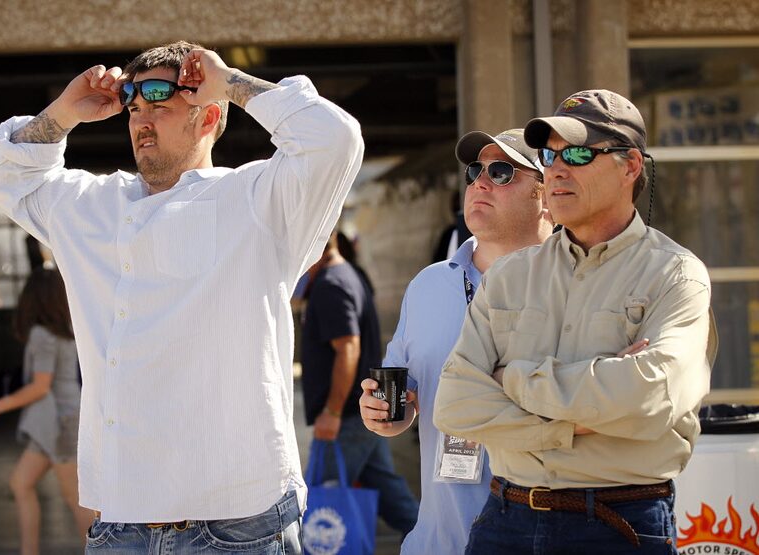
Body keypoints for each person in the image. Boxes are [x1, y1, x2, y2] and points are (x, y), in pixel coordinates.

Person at [0, 41, 363, 553]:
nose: (142, 121)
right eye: (135, 109)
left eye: (160, 107)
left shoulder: (260, 202)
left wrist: (230, 83)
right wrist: (62, 114)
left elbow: (334, 139)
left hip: (237, 521)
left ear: (207, 118)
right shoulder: (87, 206)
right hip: (120, 521)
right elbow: (3, 177)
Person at [434, 90, 717, 555]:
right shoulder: (509, 276)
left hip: (617, 523)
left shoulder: (676, 274)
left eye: (580, 153)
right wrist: (575, 422)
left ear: (630, 167)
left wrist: (516, 381)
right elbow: (455, 404)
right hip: (504, 521)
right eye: (550, 155)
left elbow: (653, 394)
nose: (557, 169)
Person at [359, 129, 553, 553]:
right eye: (474, 171)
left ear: (546, 195)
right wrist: (385, 413)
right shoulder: (429, 285)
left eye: (502, 172)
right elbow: (404, 396)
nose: (480, 182)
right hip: (438, 543)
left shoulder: (572, 287)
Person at [301, 231, 419, 539]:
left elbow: (348, 347)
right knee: (393, 498)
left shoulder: (331, 284)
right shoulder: (346, 275)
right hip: (357, 416)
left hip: (345, 419)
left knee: (312, 508)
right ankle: (437, 539)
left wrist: (332, 411)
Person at [0, 267, 93, 555]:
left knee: (75, 498)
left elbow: (40, 387)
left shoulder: (41, 335)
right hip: (54, 423)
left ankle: (98, 550)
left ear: (31, 299)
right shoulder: (68, 330)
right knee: (20, 483)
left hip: (60, 423)